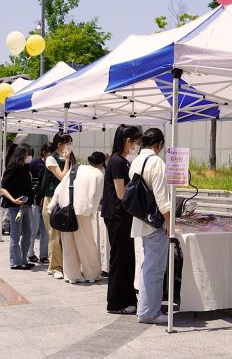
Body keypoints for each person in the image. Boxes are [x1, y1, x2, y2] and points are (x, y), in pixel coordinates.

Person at [129, 128, 171, 324]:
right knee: (154, 269)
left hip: (140, 220)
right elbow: (162, 198)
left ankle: (147, 308)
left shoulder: (136, 161)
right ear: (159, 144)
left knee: (148, 266)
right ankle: (148, 312)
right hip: (155, 223)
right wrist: (169, 222)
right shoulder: (156, 162)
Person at [102, 124, 142, 314]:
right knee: (119, 259)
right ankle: (116, 303)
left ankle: (126, 298)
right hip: (117, 217)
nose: (137, 146)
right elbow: (120, 193)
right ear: (128, 141)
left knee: (126, 259)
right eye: (136, 142)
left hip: (121, 216)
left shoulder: (121, 160)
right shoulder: (117, 162)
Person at [49, 152, 106, 284]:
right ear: (102, 164)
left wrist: (52, 205)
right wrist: (92, 213)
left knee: (68, 243)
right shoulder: (99, 174)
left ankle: (71, 275)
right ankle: (91, 274)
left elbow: (61, 186)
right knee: (86, 243)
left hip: (66, 208)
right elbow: (97, 197)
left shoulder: (76, 168)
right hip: (83, 210)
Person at [41, 133, 76, 279]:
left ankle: (62, 264)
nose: (68, 146)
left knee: (64, 236)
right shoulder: (51, 158)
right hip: (51, 201)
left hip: (65, 200)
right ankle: (54, 267)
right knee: (54, 235)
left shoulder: (68, 157)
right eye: (66, 143)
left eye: (70, 143)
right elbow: (62, 177)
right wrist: (67, 161)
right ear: (59, 144)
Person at [0, 144, 35, 270]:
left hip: (26, 205)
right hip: (15, 206)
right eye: (27, 154)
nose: (28, 157)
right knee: (15, 233)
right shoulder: (12, 169)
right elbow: (3, 189)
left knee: (28, 232)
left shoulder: (26, 168)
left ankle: (23, 258)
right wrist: (13, 200)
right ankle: (15, 261)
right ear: (21, 155)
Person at [28, 143, 51, 264]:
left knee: (45, 230)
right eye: (48, 152)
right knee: (33, 229)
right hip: (36, 201)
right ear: (43, 152)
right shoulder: (35, 164)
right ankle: (30, 253)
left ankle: (44, 255)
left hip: (46, 202)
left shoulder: (52, 165)